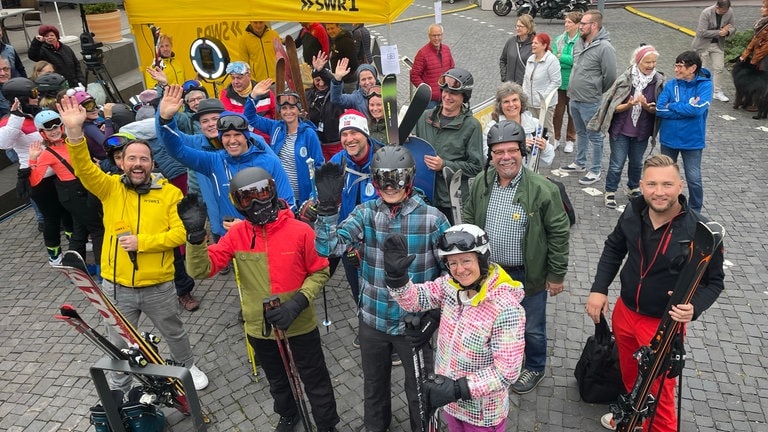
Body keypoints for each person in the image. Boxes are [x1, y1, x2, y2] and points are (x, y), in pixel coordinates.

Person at [57, 94, 209, 393]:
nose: (137, 164)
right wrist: (74, 133)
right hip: (118, 285)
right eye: (132, 159)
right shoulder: (110, 188)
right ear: (121, 162)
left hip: (158, 284)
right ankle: (120, 384)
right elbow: (85, 170)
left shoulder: (169, 194)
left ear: (152, 163)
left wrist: (144, 243)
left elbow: (179, 235)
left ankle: (187, 366)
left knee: (173, 331)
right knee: (119, 339)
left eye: (143, 159)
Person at [182, 168, 340, 432]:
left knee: (315, 378)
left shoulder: (300, 231)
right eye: (247, 199)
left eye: (262, 193)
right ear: (237, 203)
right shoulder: (237, 234)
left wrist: (298, 302)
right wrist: (196, 238)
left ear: (273, 191)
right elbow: (201, 270)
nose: (257, 203)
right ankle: (288, 414)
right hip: (260, 327)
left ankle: (326, 424)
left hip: (300, 323)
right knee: (277, 379)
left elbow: (320, 270)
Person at [314, 146, 450, 432]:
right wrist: (327, 210)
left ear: (409, 180)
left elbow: (451, 275)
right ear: (374, 181)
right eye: (383, 179)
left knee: (420, 392)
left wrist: (435, 316)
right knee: (374, 387)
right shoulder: (365, 214)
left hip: (414, 325)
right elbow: (328, 247)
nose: (390, 187)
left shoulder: (433, 219)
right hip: (373, 321)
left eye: (397, 179)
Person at [586, 154, 725, 431]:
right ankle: (634, 416)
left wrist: (694, 308)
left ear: (680, 186)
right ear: (641, 184)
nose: (659, 192)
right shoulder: (632, 211)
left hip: (662, 326)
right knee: (630, 377)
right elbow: (614, 248)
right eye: (651, 184)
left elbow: (715, 282)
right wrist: (599, 289)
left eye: (666, 184)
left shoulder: (701, 233)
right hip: (624, 313)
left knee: (660, 398)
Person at [383, 224, 526, 431]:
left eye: (466, 260)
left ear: (482, 258)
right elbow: (416, 300)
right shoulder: (451, 286)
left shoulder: (505, 308)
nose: (459, 270)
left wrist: (460, 388)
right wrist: (397, 279)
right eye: (452, 263)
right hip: (450, 403)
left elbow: (507, 371)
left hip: (482, 414)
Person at [463, 120, 570, 395]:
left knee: (532, 326)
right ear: (491, 155)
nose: (505, 157)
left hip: (527, 274)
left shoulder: (542, 189)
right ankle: (498, 362)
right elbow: (469, 218)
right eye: (498, 152)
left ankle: (534, 366)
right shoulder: (480, 183)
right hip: (491, 274)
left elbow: (558, 234)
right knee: (491, 322)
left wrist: (556, 275)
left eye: (511, 150)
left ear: (522, 152)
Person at [157, 84, 295, 238]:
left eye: (237, 135)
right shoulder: (213, 161)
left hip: (267, 238)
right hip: (228, 239)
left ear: (247, 136)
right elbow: (177, 150)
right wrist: (164, 120)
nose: (232, 141)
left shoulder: (269, 161)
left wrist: (247, 227)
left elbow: (287, 205)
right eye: (226, 136)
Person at [589, 45, 666, 210]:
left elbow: (658, 110)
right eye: (647, 62)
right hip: (621, 130)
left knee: (637, 163)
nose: (651, 65)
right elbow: (611, 107)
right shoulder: (624, 80)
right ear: (638, 61)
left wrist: (646, 106)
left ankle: (633, 189)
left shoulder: (658, 82)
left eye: (654, 62)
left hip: (642, 131)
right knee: (617, 163)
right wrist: (628, 105)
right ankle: (610, 191)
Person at [413, 67, 484, 224]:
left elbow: (476, 167)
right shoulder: (424, 117)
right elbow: (413, 146)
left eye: (453, 93)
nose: (447, 96)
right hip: (423, 196)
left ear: (464, 97)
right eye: (445, 91)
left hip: (451, 201)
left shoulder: (471, 126)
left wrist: (444, 165)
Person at [558, 10, 617, 186]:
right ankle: (579, 163)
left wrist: (595, 90)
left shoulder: (605, 48)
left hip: (590, 100)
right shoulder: (579, 43)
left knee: (595, 136)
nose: (580, 26)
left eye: (583, 24)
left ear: (594, 26)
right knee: (580, 132)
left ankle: (596, 169)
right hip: (574, 97)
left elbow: (611, 77)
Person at [245, 84, 325, 205]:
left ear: (299, 110)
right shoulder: (276, 128)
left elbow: (319, 166)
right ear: (280, 111)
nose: (288, 112)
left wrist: (313, 196)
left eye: (292, 108)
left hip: (304, 198)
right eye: (284, 108)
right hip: (281, 196)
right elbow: (250, 118)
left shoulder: (309, 134)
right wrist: (253, 97)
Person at [654, 50, 711, 214]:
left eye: (680, 66)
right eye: (676, 65)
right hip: (668, 139)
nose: (676, 70)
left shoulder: (705, 85)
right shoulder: (671, 84)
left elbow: (698, 110)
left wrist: (672, 106)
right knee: (666, 178)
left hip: (692, 141)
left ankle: (695, 211)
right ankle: (668, 206)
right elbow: (659, 109)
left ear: (692, 68)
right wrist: (686, 109)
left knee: (694, 179)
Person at [482, 81, 555, 168]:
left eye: (515, 100)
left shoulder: (534, 124)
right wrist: (517, 147)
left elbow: (547, 161)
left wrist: (545, 148)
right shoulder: (493, 127)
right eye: (506, 102)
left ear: (521, 102)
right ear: (500, 105)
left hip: (529, 176)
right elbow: (487, 157)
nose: (511, 105)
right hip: (503, 176)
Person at [522, 32, 561, 150]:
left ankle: (550, 149)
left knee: (546, 128)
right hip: (530, 102)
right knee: (532, 127)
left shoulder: (552, 60)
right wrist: (524, 95)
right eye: (532, 42)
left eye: (536, 43)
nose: (533, 45)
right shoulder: (530, 59)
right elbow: (526, 79)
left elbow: (556, 82)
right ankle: (536, 148)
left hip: (545, 103)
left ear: (544, 45)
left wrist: (543, 97)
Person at [692, 0, 735, 102]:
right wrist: (720, 32)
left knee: (719, 67)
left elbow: (733, 27)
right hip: (703, 45)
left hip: (718, 45)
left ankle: (717, 92)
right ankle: (698, 90)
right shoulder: (706, 13)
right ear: (717, 7)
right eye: (723, 11)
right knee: (702, 69)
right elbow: (701, 32)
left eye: (726, 11)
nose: (725, 13)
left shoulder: (730, 12)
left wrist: (728, 32)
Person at [551, 12, 581, 153]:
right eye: (566, 22)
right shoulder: (559, 39)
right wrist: (565, 58)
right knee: (557, 112)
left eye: (569, 22)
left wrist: (560, 57)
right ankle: (555, 138)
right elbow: (553, 57)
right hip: (559, 81)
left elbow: (577, 61)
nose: (566, 24)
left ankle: (570, 139)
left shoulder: (581, 41)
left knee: (572, 112)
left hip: (574, 82)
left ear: (577, 24)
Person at [410, 24, 456, 108]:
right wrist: (426, 92)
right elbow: (414, 75)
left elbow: (452, 69)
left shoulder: (446, 49)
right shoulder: (422, 53)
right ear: (429, 36)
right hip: (431, 101)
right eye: (434, 35)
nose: (436, 38)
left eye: (439, 35)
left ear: (442, 35)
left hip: (446, 97)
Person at [305, 67, 346, 161]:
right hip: (319, 144)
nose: (321, 84)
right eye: (317, 80)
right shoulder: (308, 95)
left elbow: (335, 82)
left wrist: (320, 70)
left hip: (336, 143)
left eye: (324, 80)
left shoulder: (336, 93)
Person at [322, 51, 379, 115]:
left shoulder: (384, 93)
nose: (367, 82)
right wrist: (337, 80)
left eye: (370, 78)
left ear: (375, 79)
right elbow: (336, 99)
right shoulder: (355, 98)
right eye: (363, 79)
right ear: (359, 83)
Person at [499, 14, 535, 85]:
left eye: (520, 26)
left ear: (528, 28)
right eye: (517, 26)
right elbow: (503, 60)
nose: (517, 28)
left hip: (525, 87)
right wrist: (504, 76)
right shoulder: (511, 41)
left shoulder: (535, 44)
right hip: (510, 86)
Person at [325, 23, 359, 92]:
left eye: (332, 28)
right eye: (328, 29)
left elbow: (354, 62)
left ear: (338, 27)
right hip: (340, 79)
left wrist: (344, 74)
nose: (330, 31)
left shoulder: (346, 41)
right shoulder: (336, 39)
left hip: (347, 82)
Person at [739, 0, 768, 71]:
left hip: (765, 58)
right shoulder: (763, 22)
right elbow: (755, 39)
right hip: (761, 58)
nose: (761, 9)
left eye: (764, 7)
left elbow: (766, 47)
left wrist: (754, 60)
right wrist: (744, 55)